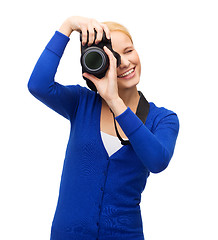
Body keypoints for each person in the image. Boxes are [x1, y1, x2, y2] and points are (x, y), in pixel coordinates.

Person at [28, 16, 179, 240]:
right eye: (114, 58)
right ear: (99, 64)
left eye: (129, 51)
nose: (126, 63)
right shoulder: (81, 103)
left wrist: (114, 100)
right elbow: (38, 85)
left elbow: (157, 161)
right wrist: (68, 26)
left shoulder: (163, 119)